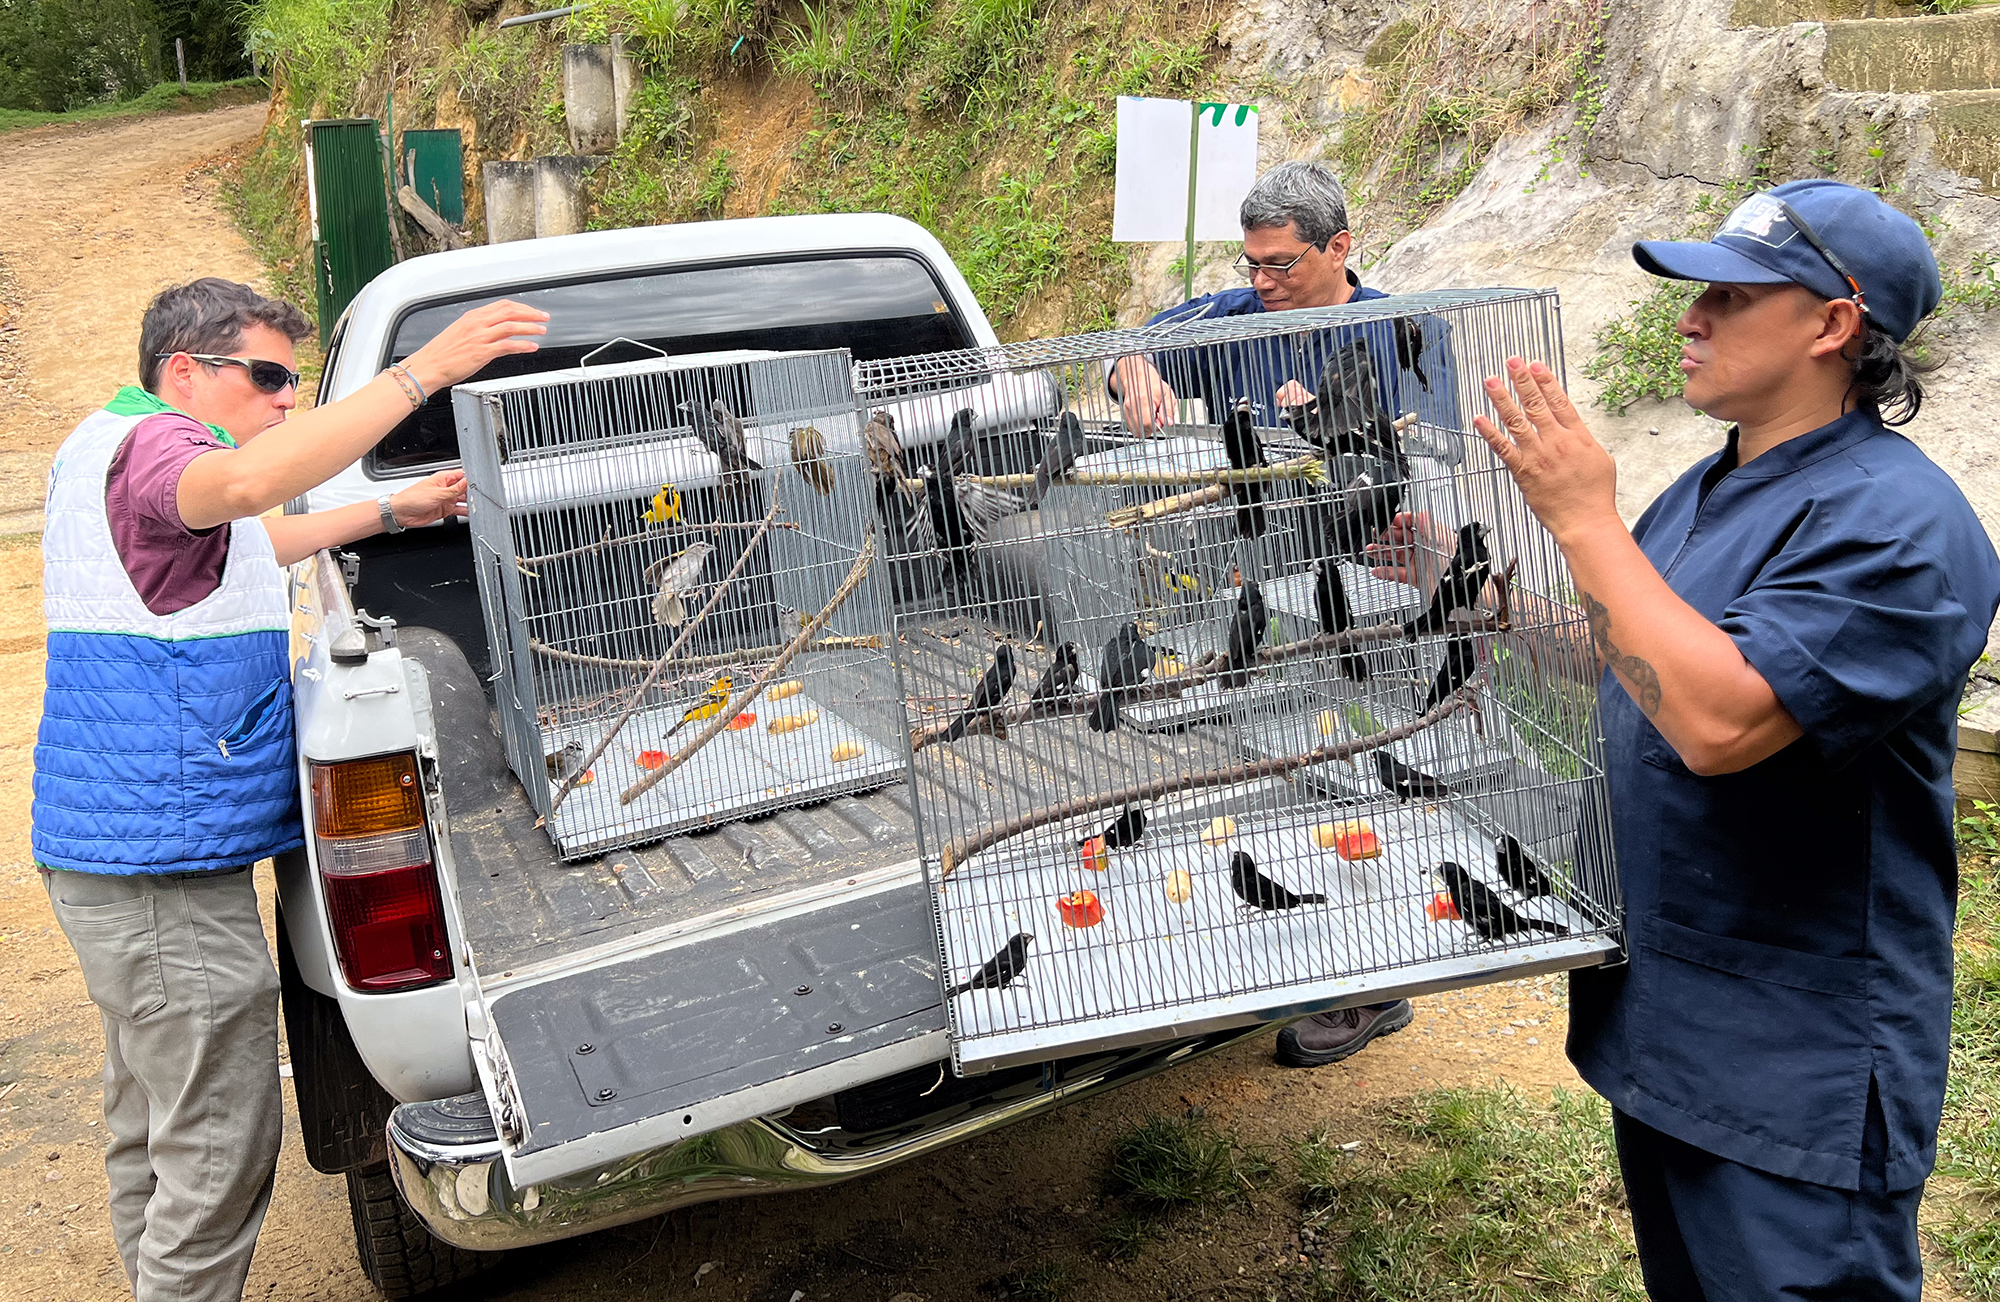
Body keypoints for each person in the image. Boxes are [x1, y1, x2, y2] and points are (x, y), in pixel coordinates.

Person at [1468, 180, 2000, 1299]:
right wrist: (1476, 599)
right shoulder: (1714, 486)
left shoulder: (1899, 526)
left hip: (1793, 1066)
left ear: (1832, 323)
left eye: (1728, 295)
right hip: (1672, 1033)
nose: (1690, 316)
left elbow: (1716, 721)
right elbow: (1638, 657)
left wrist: (1582, 518)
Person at [33, 278, 547, 1302]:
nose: (284, 400)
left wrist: (390, 507)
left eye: (293, 383)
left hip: (129, 861)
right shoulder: (161, 451)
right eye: (267, 376)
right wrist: (424, 372)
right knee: (215, 1150)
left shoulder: (109, 447)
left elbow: (243, 546)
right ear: (185, 371)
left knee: (157, 1123)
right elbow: (244, 490)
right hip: (162, 880)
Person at [1108, 160, 1446, 1069]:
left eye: (1282, 265)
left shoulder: (1401, 331)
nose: (1262, 282)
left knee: (1376, 773)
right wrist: (1135, 371)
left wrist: (1333, 427)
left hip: (1373, 587)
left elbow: (1438, 448)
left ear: (1340, 249)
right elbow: (1129, 346)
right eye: (1252, 263)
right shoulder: (1232, 317)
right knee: (1279, 773)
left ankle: (1376, 982)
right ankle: (1288, 944)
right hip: (1261, 586)